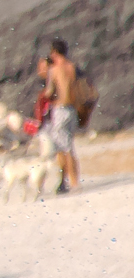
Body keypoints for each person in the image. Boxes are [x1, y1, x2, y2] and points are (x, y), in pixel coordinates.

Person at [44, 38, 82, 193]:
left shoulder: (54, 70)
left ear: (54, 52)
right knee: (69, 146)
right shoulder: (72, 67)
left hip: (60, 108)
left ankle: (66, 182)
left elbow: (49, 91)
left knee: (61, 148)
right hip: (72, 110)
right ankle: (74, 181)